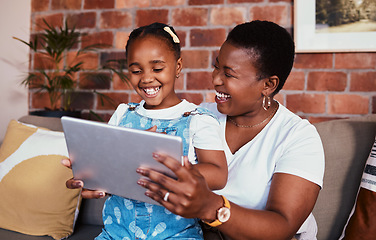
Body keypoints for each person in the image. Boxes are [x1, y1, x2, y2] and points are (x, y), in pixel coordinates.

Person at [134, 20, 325, 240]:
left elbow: (283, 226)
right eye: (216, 66)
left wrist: (211, 207)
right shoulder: (198, 117)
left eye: (229, 74)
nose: (215, 80)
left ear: (268, 85)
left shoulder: (298, 137)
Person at [67, 22, 227, 240]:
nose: (146, 78)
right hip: (116, 233)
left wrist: (169, 166)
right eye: (136, 70)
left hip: (176, 235)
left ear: (178, 67)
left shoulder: (198, 119)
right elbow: (110, 165)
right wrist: (90, 173)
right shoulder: (123, 114)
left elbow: (219, 174)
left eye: (157, 68)